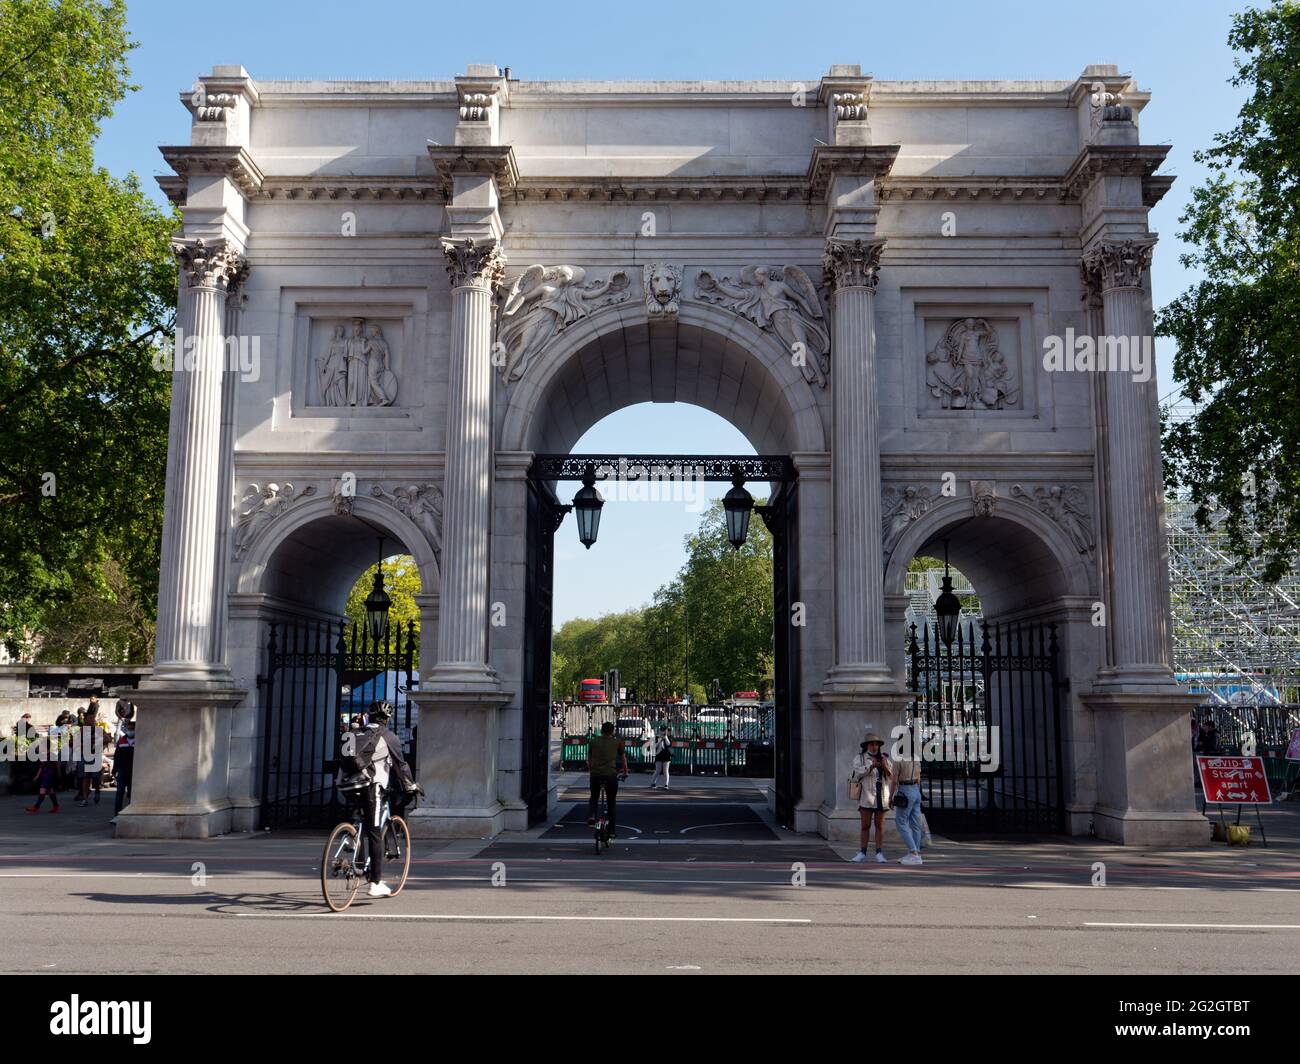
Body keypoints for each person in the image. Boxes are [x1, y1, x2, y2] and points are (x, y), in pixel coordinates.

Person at [342, 700, 418, 898]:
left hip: (347, 785)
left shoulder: (356, 733)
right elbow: (401, 766)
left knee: (360, 820)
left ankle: (350, 840)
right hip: (372, 786)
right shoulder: (388, 736)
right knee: (375, 832)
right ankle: (375, 882)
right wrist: (411, 785)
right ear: (387, 719)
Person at [850, 733, 893, 864]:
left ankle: (879, 853)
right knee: (865, 825)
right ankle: (862, 852)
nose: (874, 747)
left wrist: (884, 765)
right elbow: (856, 774)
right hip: (866, 796)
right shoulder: (860, 758)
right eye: (872, 744)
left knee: (879, 825)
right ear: (867, 745)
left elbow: (891, 775)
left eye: (876, 744)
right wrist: (871, 766)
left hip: (882, 796)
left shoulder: (884, 758)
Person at [586, 721, 628, 838]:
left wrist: (591, 770)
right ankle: (612, 831)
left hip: (595, 775)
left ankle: (592, 816)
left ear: (601, 730)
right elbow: (623, 759)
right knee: (611, 803)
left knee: (594, 797)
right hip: (610, 775)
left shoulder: (593, 741)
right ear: (613, 731)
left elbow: (589, 758)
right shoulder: (617, 742)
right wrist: (625, 772)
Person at [892, 752, 924, 866]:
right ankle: (915, 853)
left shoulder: (898, 758)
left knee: (901, 822)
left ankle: (913, 853)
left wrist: (891, 796)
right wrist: (918, 792)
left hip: (905, 789)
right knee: (915, 824)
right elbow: (919, 776)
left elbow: (894, 780)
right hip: (915, 789)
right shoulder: (916, 757)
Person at [111, 702, 135, 817]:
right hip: (122, 771)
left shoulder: (139, 741)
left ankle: (130, 813)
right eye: (129, 729)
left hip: (134, 772)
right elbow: (117, 756)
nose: (130, 731)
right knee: (119, 793)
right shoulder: (122, 741)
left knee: (131, 794)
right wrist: (114, 770)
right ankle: (116, 814)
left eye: (132, 729)